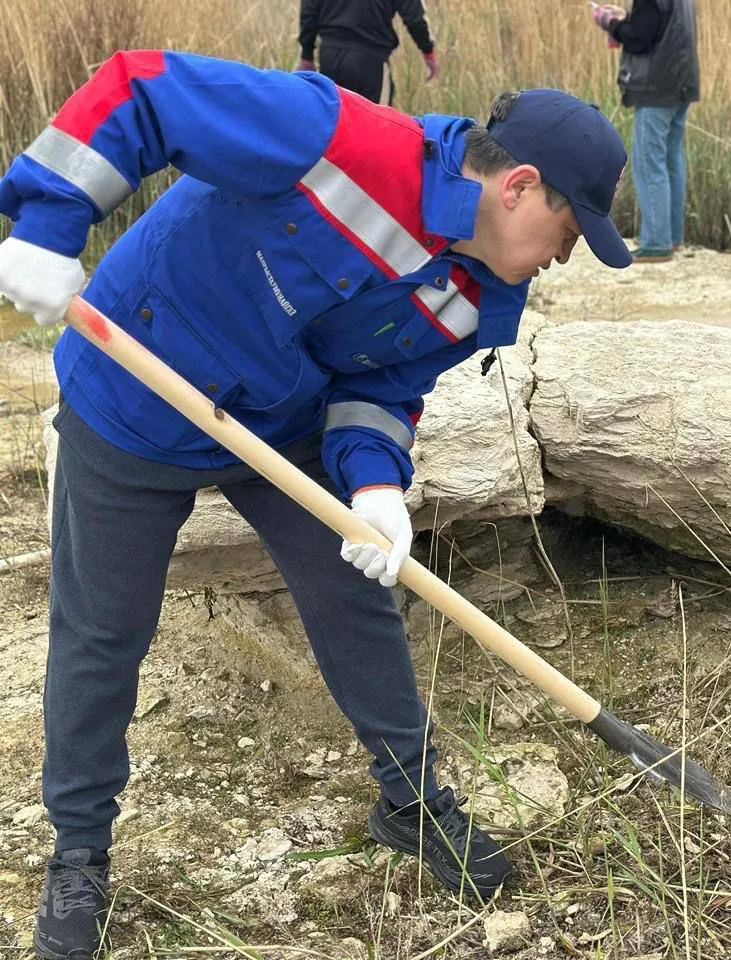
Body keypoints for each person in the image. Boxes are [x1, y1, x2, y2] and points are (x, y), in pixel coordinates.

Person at [0, 49, 630, 958]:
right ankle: (78, 857)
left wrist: (375, 486)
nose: (567, 255)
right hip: (132, 393)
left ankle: (412, 805)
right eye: (572, 230)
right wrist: (52, 220)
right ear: (521, 187)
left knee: (359, 599)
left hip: (278, 426)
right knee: (103, 631)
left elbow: (381, 388)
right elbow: (145, 90)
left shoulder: (486, 301)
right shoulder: (338, 138)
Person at [591, 0, 699, 263]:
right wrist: (627, 17)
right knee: (672, 160)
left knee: (649, 163)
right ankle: (671, 237)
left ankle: (656, 243)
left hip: (657, 88)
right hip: (681, 82)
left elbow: (638, 37)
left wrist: (610, 23)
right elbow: (657, 24)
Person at [298, 0, 440, 105]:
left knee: (335, 127)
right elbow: (414, 17)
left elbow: (309, 10)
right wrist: (428, 52)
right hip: (370, 61)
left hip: (330, 57)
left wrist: (307, 55)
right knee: (378, 128)